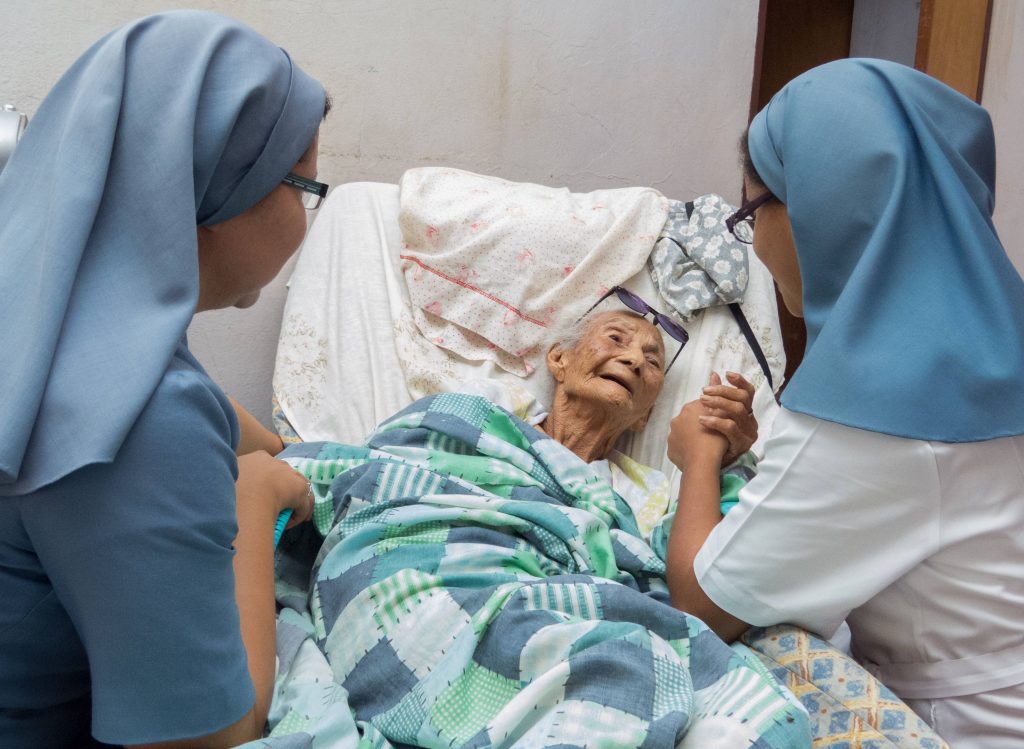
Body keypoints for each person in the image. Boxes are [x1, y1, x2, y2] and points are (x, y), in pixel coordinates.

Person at [664, 58, 1024, 748]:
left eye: (749, 213)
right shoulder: (996, 339)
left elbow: (702, 604)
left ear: (818, 208)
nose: (755, 242)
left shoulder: (874, 410)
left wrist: (698, 458)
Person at [0, 11, 330, 748]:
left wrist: (270, 441)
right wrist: (258, 492)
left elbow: (199, 406)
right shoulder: (139, 429)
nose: (306, 217)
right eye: (305, 187)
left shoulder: (38, 313)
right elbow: (212, 738)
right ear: (214, 189)